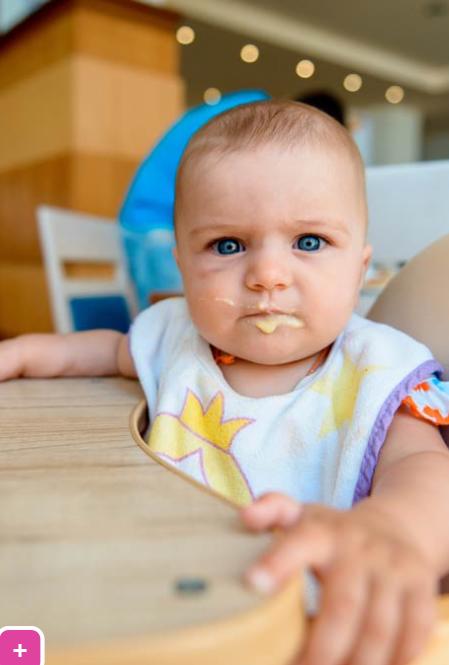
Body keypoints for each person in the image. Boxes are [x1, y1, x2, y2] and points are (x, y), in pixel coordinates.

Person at [1, 100, 449, 665]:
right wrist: (21, 353)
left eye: (308, 241)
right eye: (228, 245)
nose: (267, 275)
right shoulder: (177, 337)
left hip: (310, 628)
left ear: (359, 268)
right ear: (184, 268)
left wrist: (396, 531)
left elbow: (426, 469)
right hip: (161, 609)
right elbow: (104, 351)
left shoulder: (378, 368)